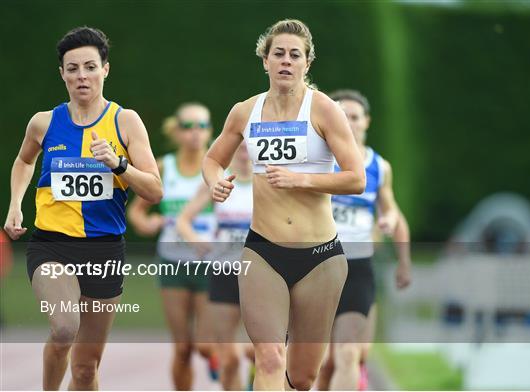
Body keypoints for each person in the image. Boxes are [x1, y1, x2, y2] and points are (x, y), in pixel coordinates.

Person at [202, 19, 365, 390]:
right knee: (271, 356)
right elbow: (212, 160)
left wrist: (302, 179)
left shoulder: (324, 110)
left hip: (320, 256)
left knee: (305, 376)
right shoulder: (245, 111)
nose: (286, 62)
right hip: (263, 251)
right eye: (279, 54)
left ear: (307, 63)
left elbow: (356, 178)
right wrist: (216, 183)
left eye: (295, 55)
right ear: (265, 61)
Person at [2, 27, 162, 390]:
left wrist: (118, 164)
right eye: (72, 68)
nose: (81, 76)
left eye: (90, 66)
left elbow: (154, 190)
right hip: (51, 245)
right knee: (63, 328)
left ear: (106, 69)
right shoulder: (44, 122)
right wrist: (15, 205)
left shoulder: (125, 121)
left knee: (87, 369)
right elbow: (24, 162)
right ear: (62, 74)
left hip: (105, 248)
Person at [316, 89, 412, 390]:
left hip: (358, 267)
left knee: (349, 354)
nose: (349, 122)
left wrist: (403, 260)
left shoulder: (379, 167)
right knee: (322, 362)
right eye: (341, 115)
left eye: (355, 116)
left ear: (366, 122)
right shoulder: (317, 160)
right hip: (317, 266)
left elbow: (393, 213)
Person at [127, 103, 217, 390]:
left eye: (201, 126)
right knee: (182, 348)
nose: (195, 133)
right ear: (177, 132)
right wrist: (146, 223)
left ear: (210, 132)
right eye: (188, 126)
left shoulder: (216, 169)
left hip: (210, 265)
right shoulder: (164, 166)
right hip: (172, 263)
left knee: (204, 345)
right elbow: (137, 211)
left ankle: (219, 362)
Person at [178, 141, 253, 390]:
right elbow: (184, 220)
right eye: (238, 144)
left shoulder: (269, 180)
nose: (243, 149)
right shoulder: (218, 181)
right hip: (224, 272)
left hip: (261, 275)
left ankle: (258, 375)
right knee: (228, 358)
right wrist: (196, 240)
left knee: (260, 352)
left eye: (248, 144)